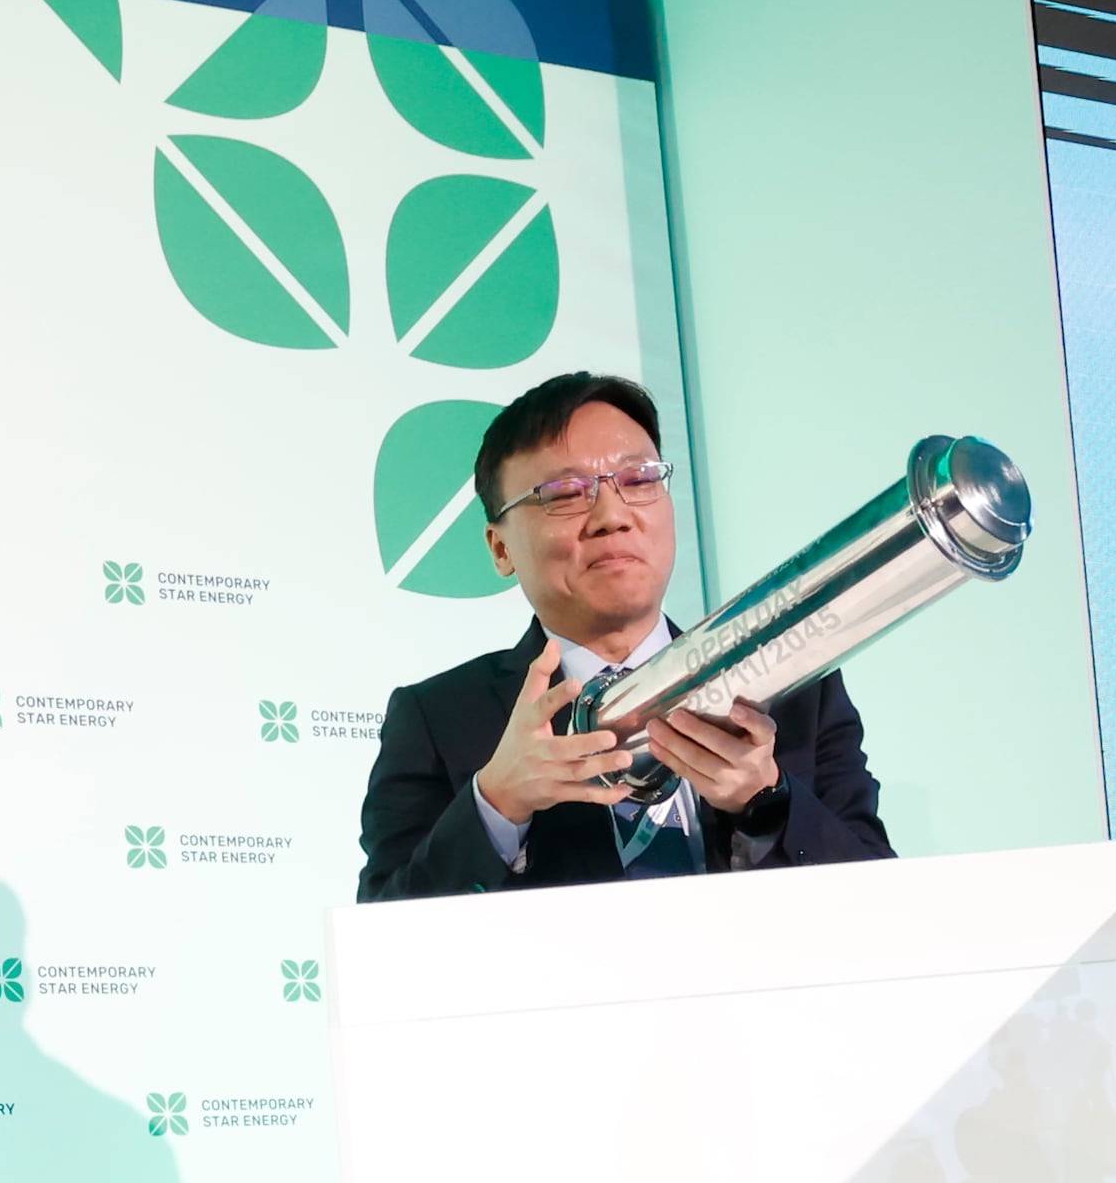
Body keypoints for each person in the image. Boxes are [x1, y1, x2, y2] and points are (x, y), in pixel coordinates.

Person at [353, 370, 893, 902]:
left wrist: (766, 798)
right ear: (500, 549)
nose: (612, 516)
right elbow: (378, 946)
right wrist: (496, 804)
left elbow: (888, 906)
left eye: (639, 481)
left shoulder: (793, 692)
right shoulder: (438, 719)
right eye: (565, 493)